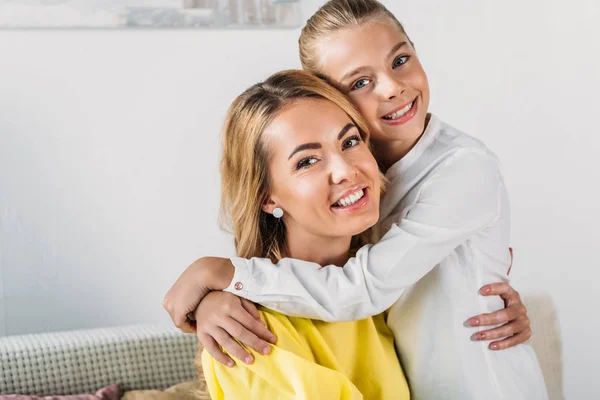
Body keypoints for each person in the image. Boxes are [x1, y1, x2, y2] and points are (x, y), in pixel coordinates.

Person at [166, 0, 548, 398]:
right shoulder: (362, 179)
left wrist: (221, 273)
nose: (392, 87)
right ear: (331, 98)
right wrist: (219, 296)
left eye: (400, 59)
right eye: (360, 82)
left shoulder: (461, 168)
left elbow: (361, 289)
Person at [198, 69, 410, 399]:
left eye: (349, 141)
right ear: (267, 197)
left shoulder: (389, 280)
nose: (346, 171)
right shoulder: (247, 330)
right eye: (307, 161)